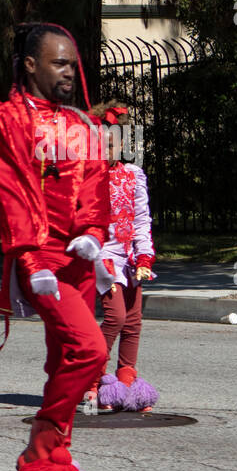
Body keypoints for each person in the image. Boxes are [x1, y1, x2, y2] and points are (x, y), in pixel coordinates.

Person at [0, 22, 110, 471]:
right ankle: (41, 450)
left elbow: (96, 184)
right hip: (41, 255)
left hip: (79, 258)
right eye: (59, 63)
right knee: (91, 349)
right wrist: (29, 258)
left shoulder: (83, 125)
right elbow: (11, 192)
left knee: (64, 362)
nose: (70, 72)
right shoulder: (4, 119)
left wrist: (95, 233)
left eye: (73, 64)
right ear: (30, 65)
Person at [88, 102, 159, 412]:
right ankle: (91, 380)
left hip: (129, 259)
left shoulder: (133, 174)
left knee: (133, 321)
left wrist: (144, 257)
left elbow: (142, 220)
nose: (110, 148)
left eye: (115, 142)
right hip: (102, 257)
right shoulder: (86, 181)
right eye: (103, 143)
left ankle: (126, 382)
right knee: (115, 316)